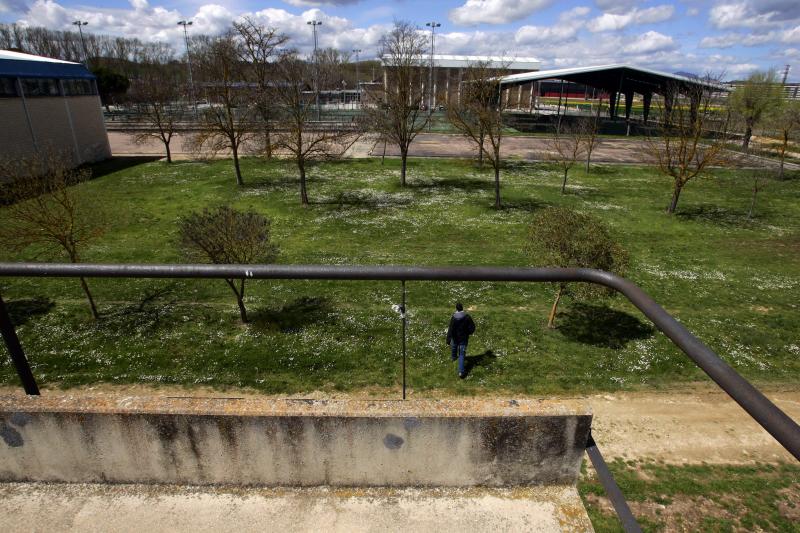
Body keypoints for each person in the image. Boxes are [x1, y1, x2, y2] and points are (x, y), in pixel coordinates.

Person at [446, 302, 476, 379]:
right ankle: (461, 372)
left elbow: (450, 329)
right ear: (462, 308)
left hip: (455, 337)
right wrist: (469, 332)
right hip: (463, 338)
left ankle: (453, 358)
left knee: (454, 347)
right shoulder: (467, 317)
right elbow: (472, 327)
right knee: (462, 354)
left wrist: (448, 339)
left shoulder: (454, 317)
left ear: (456, 308)